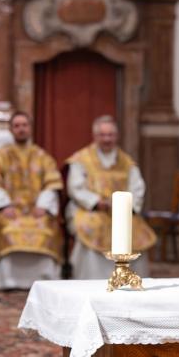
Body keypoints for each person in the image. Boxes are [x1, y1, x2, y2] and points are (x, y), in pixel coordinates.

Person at [66, 115, 156, 280]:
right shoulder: (81, 159)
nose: (107, 139)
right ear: (95, 136)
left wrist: (126, 206)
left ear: (117, 136)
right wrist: (96, 202)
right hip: (91, 209)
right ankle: (91, 278)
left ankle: (128, 278)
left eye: (110, 135)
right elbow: (75, 187)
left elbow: (137, 188)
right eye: (102, 135)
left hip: (121, 212)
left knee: (134, 229)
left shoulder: (126, 162)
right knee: (92, 226)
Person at [0, 111, 63, 289]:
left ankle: (44, 281)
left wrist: (43, 205)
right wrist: (4, 205)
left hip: (37, 211)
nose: (21, 129)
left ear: (30, 128)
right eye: (17, 126)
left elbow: (52, 183)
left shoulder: (42, 156)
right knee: (6, 227)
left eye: (24, 125)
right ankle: (7, 281)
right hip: (10, 210)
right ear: (11, 129)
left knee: (45, 225)